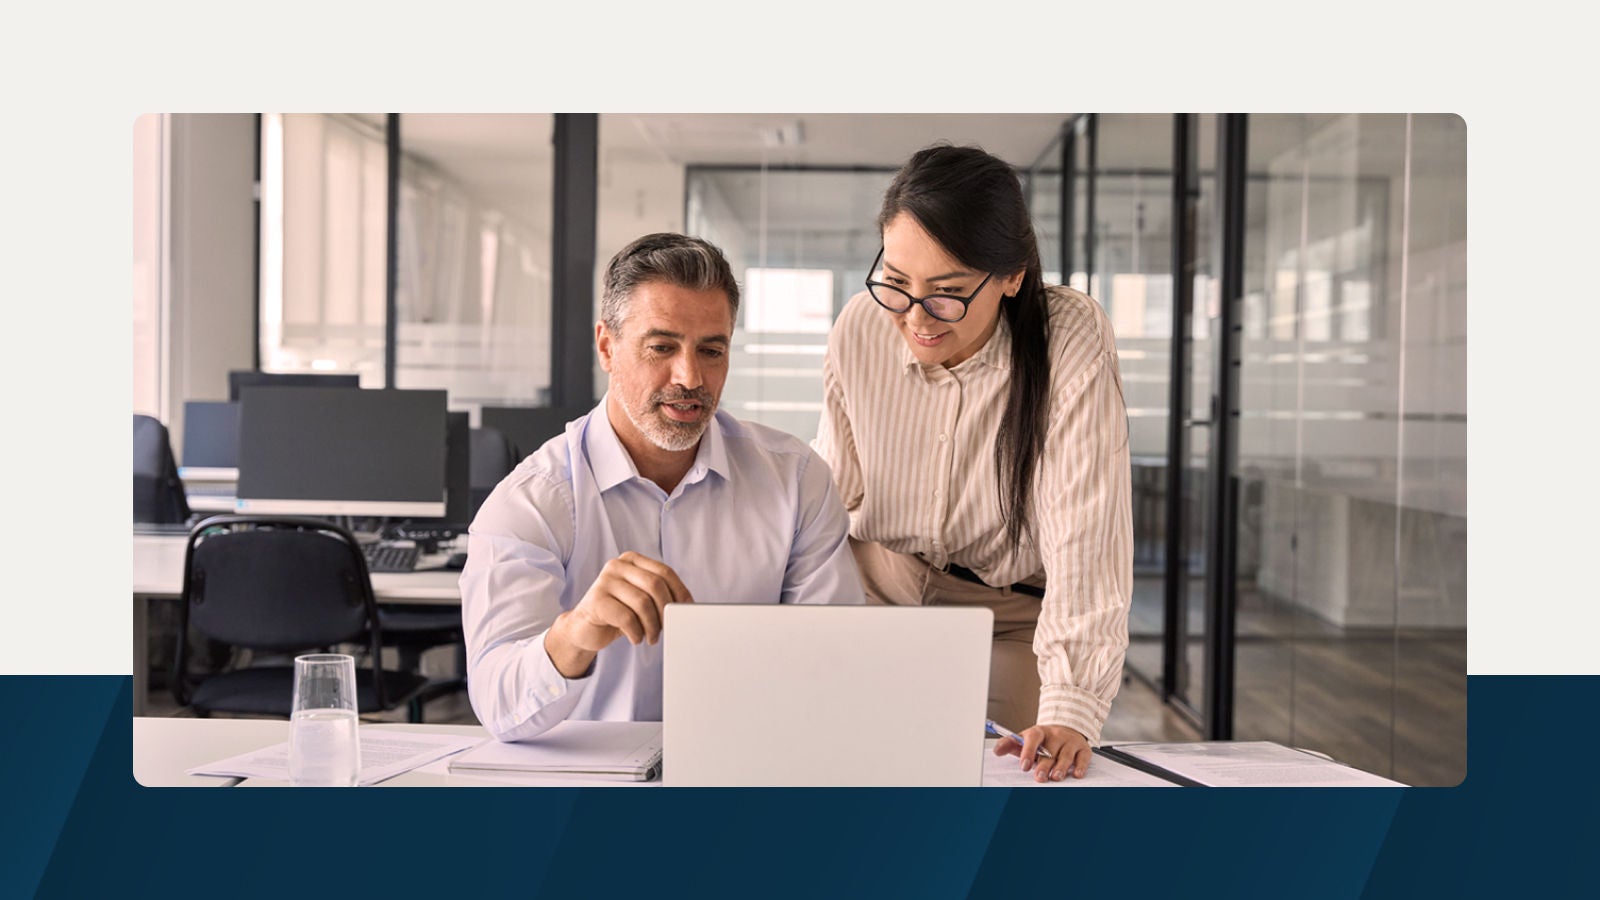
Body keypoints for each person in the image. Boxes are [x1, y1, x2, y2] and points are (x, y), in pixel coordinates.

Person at [461, 232, 865, 741]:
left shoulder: (795, 479)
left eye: (712, 350)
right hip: (589, 790)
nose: (690, 376)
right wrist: (576, 631)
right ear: (607, 347)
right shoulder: (533, 500)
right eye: (662, 347)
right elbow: (498, 705)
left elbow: (836, 663)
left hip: (745, 770)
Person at [814, 144, 1132, 782]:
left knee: (995, 785)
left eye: (948, 294)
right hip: (874, 592)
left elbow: (1086, 529)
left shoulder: (1068, 335)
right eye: (897, 283)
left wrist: (1071, 705)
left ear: (1011, 276)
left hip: (1004, 619)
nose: (914, 316)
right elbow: (828, 490)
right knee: (847, 773)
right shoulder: (860, 326)